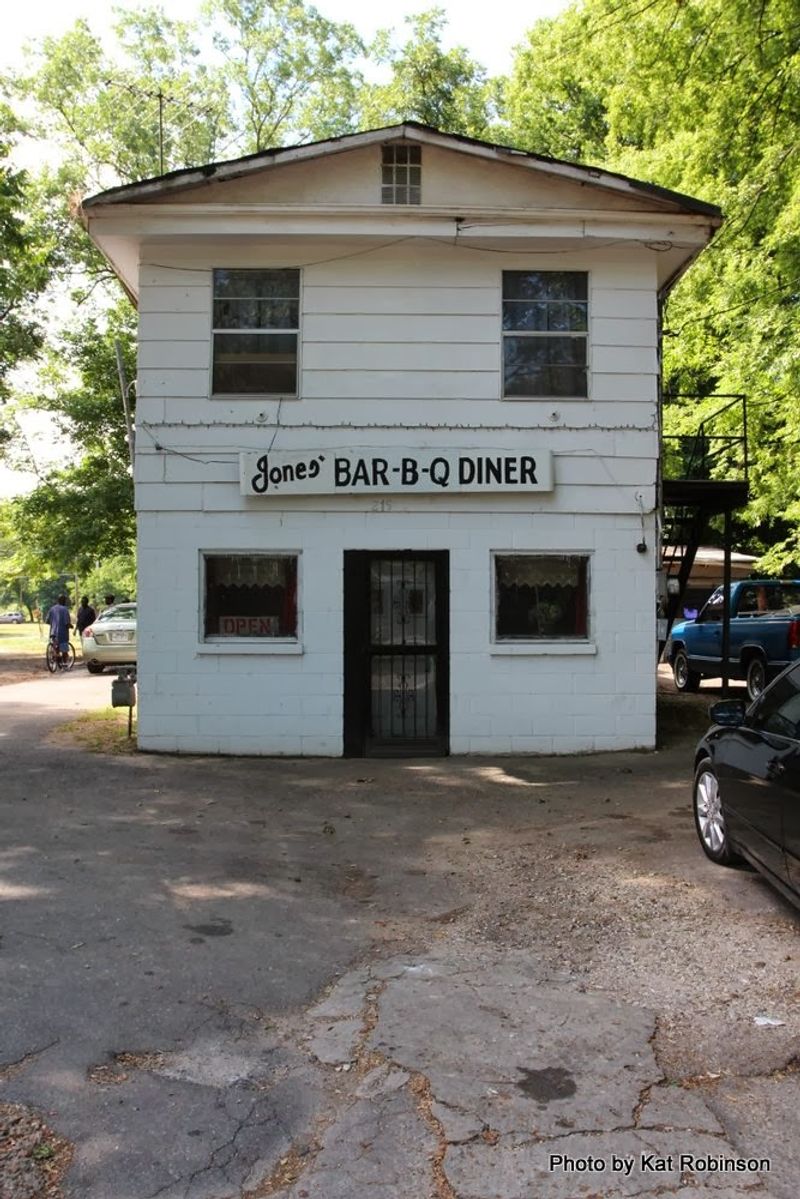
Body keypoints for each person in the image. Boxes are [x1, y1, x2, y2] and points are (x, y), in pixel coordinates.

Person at [45, 594, 72, 665]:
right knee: (64, 650)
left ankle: (56, 656)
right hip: (62, 633)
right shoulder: (65, 609)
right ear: (64, 601)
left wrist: (54, 623)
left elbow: (47, 621)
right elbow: (67, 623)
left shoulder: (52, 609)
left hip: (53, 632)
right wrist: (71, 626)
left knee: (55, 646)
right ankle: (65, 664)